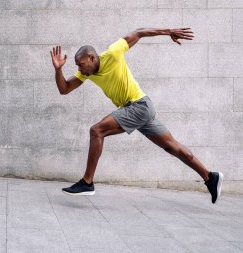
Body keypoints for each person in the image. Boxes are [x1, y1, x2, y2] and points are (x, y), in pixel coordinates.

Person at [50, 28, 223, 204]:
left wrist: (169, 31)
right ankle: (210, 177)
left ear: (92, 58)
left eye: (80, 64)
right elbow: (64, 89)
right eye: (77, 66)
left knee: (97, 131)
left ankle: (87, 182)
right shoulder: (87, 73)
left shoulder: (113, 53)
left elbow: (139, 32)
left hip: (138, 106)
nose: (79, 68)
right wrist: (58, 70)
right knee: (173, 148)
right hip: (139, 110)